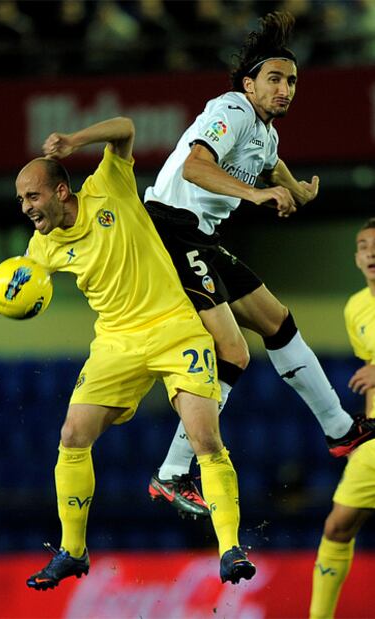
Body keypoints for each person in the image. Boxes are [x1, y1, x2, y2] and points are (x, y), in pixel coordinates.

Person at [0, 117, 256, 589]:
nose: (25, 208)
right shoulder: (43, 247)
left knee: (205, 439)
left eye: (32, 197)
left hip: (176, 330)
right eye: (20, 200)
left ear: (61, 191)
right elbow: (2, 296)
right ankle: (72, 552)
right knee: (72, 434)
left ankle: (231, 549)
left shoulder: (108, 185)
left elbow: (124, 128)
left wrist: (75, 141)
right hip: (117, 343)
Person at [143, 10, 375, 519]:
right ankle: (172, 471)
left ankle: (340, 429)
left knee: (278, 321)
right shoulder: (231, 108)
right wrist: (256, 194)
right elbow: (195, 165)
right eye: (274, 78)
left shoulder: (264, 132)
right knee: (234, 351)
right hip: (167, 231)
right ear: (249, 84)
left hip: (200, 238)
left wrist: (294, 189)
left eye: (291, 80)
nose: (285, 88)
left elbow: (268, 159)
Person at [309, 219, 375, 619]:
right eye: (364, 245)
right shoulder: (355, 308)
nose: (372, 252)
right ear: (356, 257)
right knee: (337, 527)